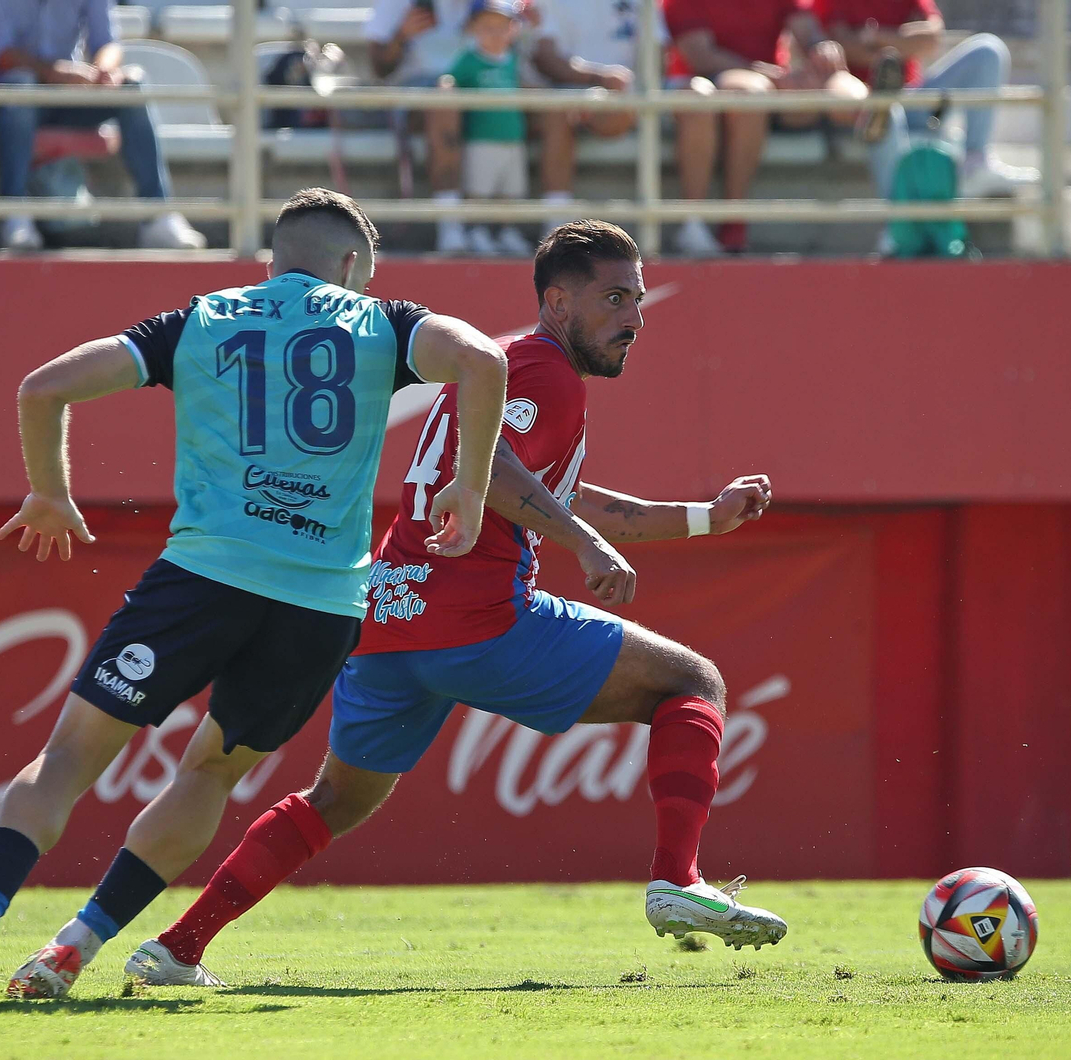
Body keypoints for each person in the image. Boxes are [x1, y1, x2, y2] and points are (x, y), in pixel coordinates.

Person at [0, 188, 510, 1003]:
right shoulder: (381, 321)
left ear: (271, 262)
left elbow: (43, 387)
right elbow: (485, 360)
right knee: (208, 774)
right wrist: (469, 482)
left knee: (69, 757)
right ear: (352, 266)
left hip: (205, 577)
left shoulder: (205, 318)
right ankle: (77, 945)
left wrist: (49, 493)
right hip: (322, 603)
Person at [124, 220, 787, 988]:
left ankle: (178, 947)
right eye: (613, 299)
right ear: (557, 300)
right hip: (480, 620)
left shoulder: (507, 369)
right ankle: (678, 879)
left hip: (390, 616)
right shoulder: (545, 373)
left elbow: (549, 494)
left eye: (637, 300)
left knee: (334, 799)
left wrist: (704, 515)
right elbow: (500, 479)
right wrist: (582, 544)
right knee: (691, 683)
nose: (633, 319)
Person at [0, 0, 206, 251]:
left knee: (131, 85)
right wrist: (56, 72)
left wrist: (102, 72)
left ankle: (157, 217)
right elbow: (2, 56)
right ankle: (14, 216)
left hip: (69, 96)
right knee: (20, 85)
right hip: (11, 100)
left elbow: (108, 43)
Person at [663, 0, 868, 255]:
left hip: (771, 94)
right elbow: (701, 58)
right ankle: (725, 223)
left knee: (839, 87)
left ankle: (868, 111)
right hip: (717, 85)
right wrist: (771, 77)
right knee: (749, 93)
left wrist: (822, 51)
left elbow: (808, 33)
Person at [819, 0, 1039, 199]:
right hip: (866, 107)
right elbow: (844, 46)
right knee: (885, 110)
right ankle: (899, 226)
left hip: (916, 103)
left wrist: (875, 38)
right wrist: (903, 41)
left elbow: (931, 38)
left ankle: (974, 164)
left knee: (988, 50)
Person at [525, 0, 666, 237]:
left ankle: (676, 226)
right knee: (557, 109)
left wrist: (622, 92)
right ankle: (556, 228)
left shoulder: (643, 4)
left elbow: (657, 57)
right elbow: (544, 56)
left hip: (625, 102)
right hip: (564, 99)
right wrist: (600, 79)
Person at [364, 0, 483, 253]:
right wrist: (401, 36)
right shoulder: (396, 5)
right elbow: (379, 67)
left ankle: (497, 229)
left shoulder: (493, 4)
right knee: (445, 99)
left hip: (480, 93)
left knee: (548, 109)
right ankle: (452, 227)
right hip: (413, 103)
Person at [445, 0, 535, 256]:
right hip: (480, 137)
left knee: (510, 191)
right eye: (487, 27)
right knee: (479, 190)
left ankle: (506, 232)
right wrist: (446, 87)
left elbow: (528, 85)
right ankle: (478, 231)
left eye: (501, 26)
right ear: (473, 28)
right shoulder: (469, 59)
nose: (494, 33)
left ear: (512, 29)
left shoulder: (515, 61)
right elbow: (450, 80)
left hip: (512, 138)